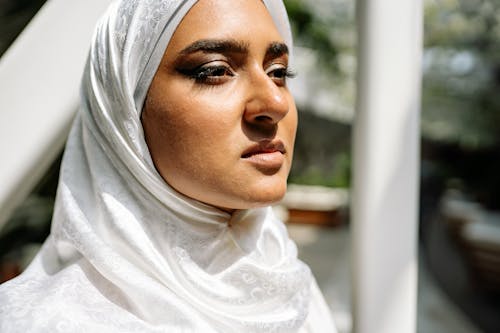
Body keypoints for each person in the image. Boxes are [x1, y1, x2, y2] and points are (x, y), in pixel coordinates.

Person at [0, 0, 336, 332]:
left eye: (278, 72)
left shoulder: (287, 284)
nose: (275, 103)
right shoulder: (43, 321)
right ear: (125, 109)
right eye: (215, 71)